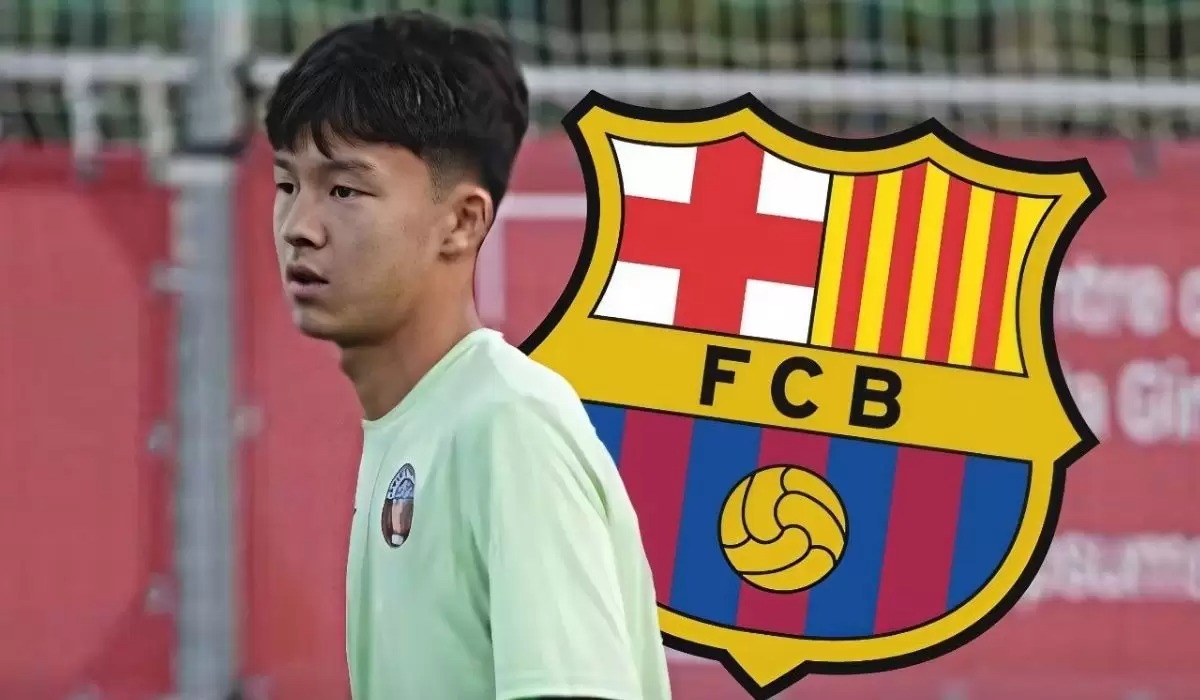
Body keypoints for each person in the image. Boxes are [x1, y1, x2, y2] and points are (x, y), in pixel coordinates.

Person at [264, 10, 672, 700]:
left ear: (461, 221)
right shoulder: (417, 422)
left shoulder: (507, 423)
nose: (300, 227)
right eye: (286, 186)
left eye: (344, 190)